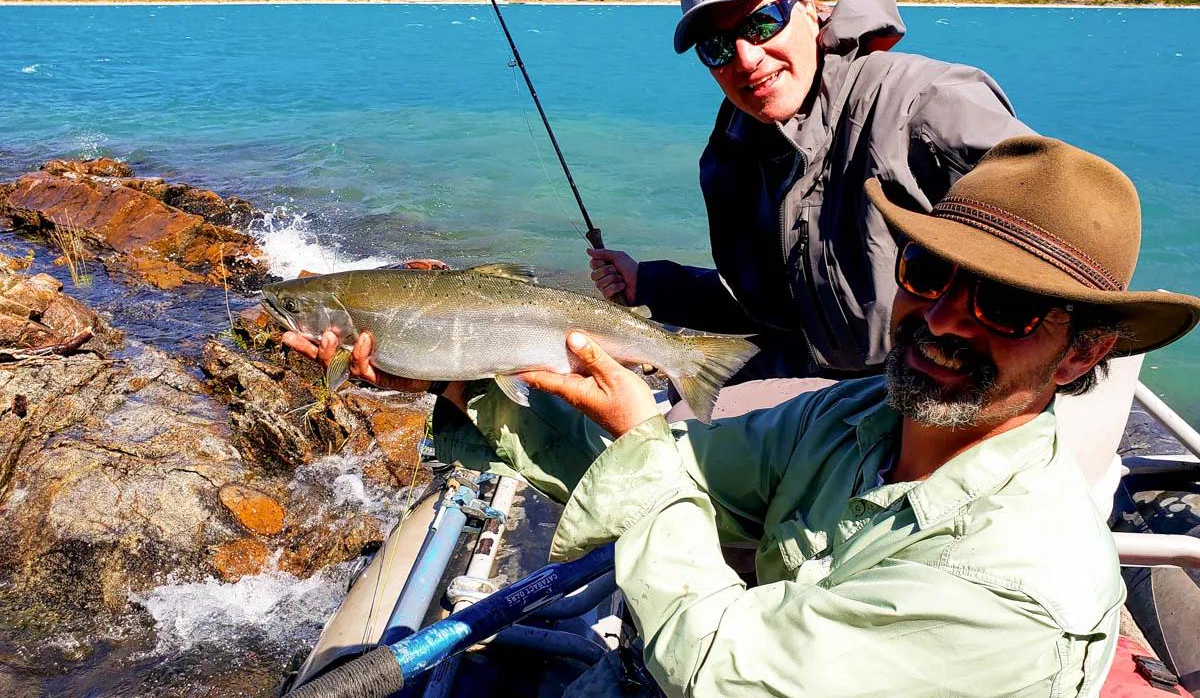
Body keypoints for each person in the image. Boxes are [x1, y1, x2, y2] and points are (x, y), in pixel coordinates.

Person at [287, 137, 1200, 696]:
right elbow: (669, 468)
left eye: (1005, 307)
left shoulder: (1014, 591)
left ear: (1082, 351)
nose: (947, 320)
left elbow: (718, 668)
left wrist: (644, 438)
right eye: (929, 275)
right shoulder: (858, 421)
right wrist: (457, 379)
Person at [588, 0, 1035, 382]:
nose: (745, 57)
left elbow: (1070, 235)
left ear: (810, 10)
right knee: (663, 422)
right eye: (717, 47)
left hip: (933, 384)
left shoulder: (923, 103)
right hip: (823, 379)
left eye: (762, 23)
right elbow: (780, 312)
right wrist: (649, 283)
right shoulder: (736, 154)